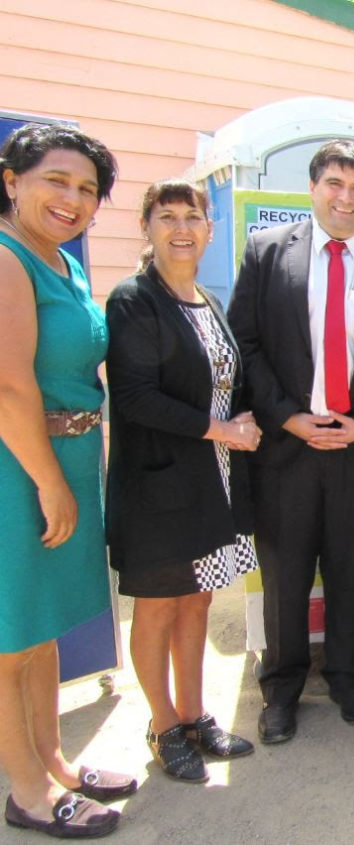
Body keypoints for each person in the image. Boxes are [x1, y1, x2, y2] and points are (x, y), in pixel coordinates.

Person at [227, 139, 354, 744]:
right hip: (286, 449)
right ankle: (281, 689)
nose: (346, 198)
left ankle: (347, 678)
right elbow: (245, 344)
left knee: (347, 570)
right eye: (335, 184)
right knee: (286, 577)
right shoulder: (267, 252)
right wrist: (288, 417)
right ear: (313, 188)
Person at [0, 123, 134, 838]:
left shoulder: (63, 264)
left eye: (87, 189)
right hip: (20, 467)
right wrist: (49, 482)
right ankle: (26, 793)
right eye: (56, 180)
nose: (72, 199)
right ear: (11, 181)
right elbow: (8, 387)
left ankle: (54, 759)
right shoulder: (6, 258)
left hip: (67, 459)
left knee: (45, 629)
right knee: (11, 639)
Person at [105, 179, 261, 783]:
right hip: (159, 487)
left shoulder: (206, 300)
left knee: (198, 600)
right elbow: (136, 397)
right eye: (166, 216)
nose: (181, 228)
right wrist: (222, 430)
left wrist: (244, 420)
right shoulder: (133, 300)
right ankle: (164, 724)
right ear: (146, 227)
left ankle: (195, 715)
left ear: (209, 229)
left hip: (212, 482)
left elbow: (222, 383)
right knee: (159, 606)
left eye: (192, 216)